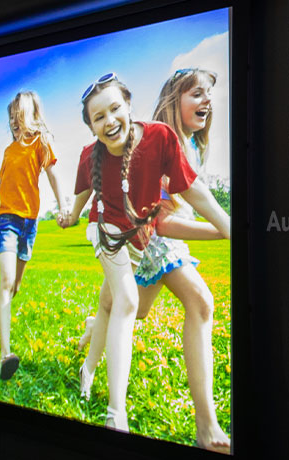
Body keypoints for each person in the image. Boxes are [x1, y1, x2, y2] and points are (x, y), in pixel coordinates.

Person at [71, 69, 230, 452]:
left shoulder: (174, 141)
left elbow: (198, 195)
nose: (207, 101)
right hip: (134, 236)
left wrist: (228, 225)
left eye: (115, 109)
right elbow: (160, 219)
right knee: (154, 303)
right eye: (197, 93)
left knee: (127, 309)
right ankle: (134, 415)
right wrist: (222, 230)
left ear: (128, 105)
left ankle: (97, 328)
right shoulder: (139, 143)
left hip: (142, 238)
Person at [0, 91, 67, 380]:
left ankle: (8, 302)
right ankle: (5, 355)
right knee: (5, 283)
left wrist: (63, 206)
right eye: (12, 120)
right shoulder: (8, 151)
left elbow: (54, 176)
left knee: (16, 285)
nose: (15, 124)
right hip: (6, 219)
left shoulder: (40, 144)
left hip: (30, 224)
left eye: (20, 117)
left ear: (32, 116)